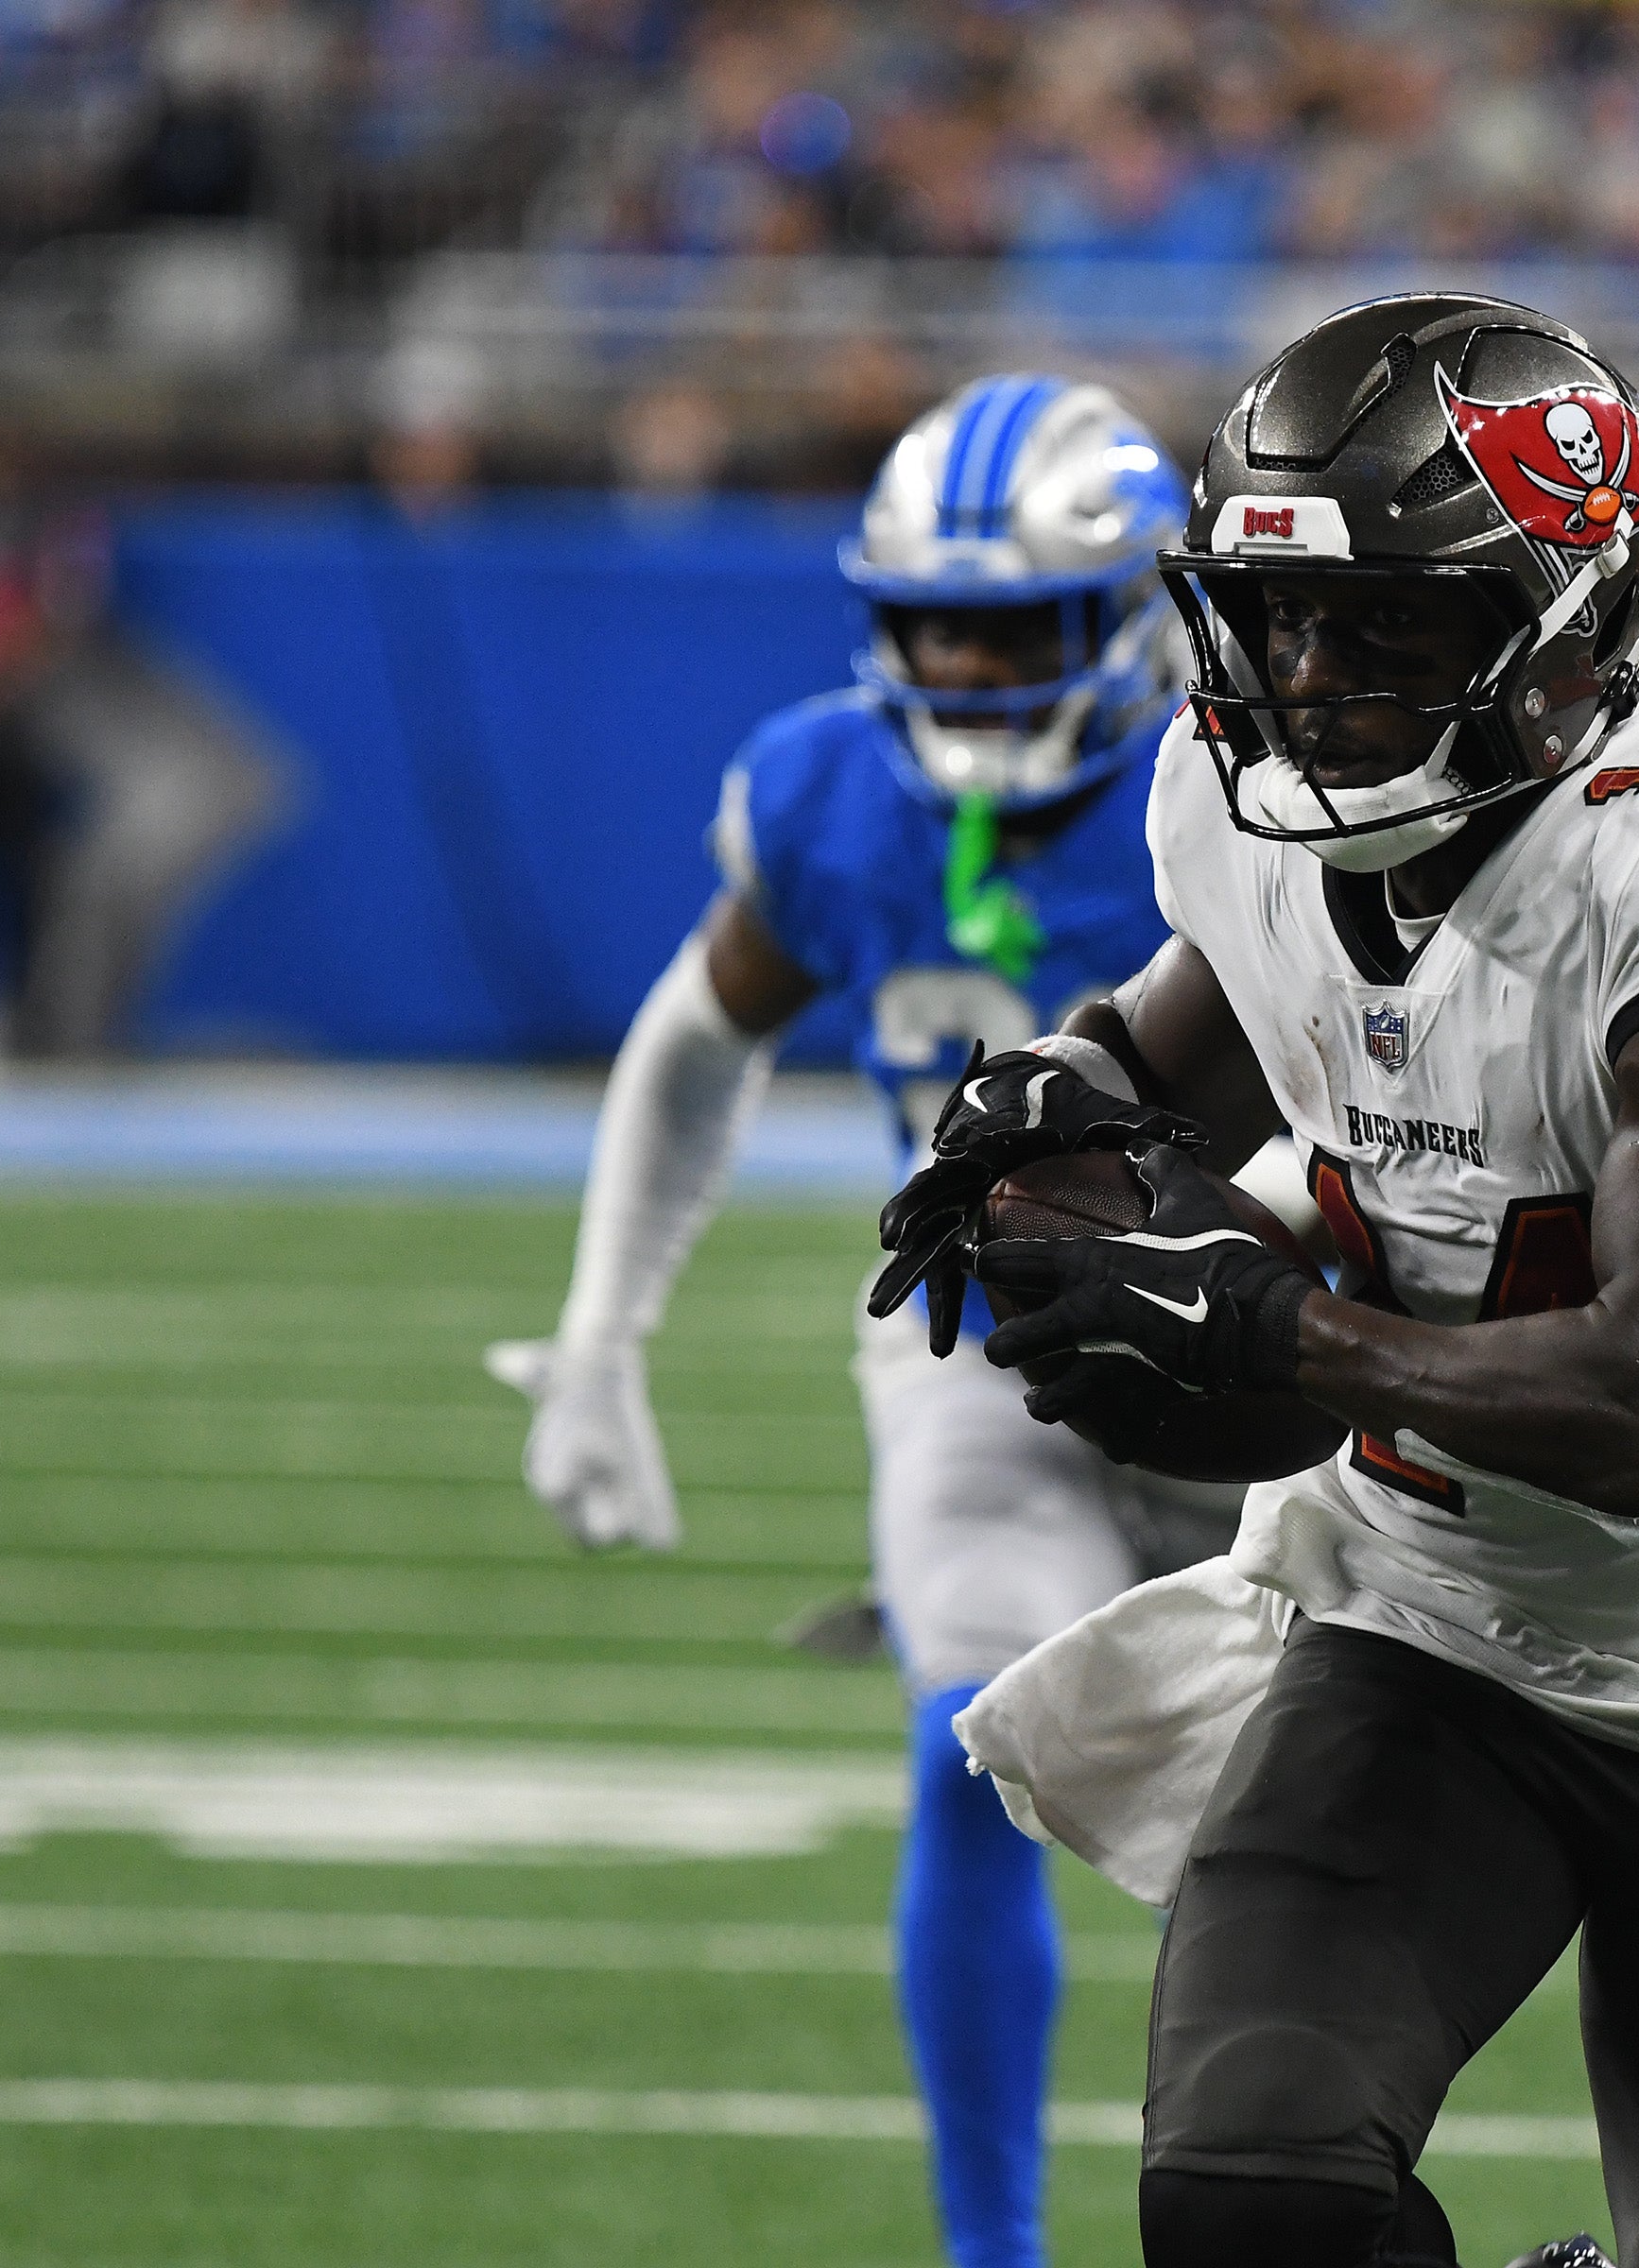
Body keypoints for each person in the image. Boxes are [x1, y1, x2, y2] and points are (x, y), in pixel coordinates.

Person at [873, 296, 1639, 2268]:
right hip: (1430, 1628)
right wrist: (1058, 1097)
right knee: (1248, 2198)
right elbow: (1206, 1016)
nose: (1312, 684)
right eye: (1280, 622)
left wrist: (1285, 1336)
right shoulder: (1234, 814)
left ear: (1566, 635)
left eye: (1391, 628)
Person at [485, 373, 1235, 2268]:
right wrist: (602, 1331)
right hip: (986, 1338)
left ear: (1133, 615)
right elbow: (697, 1033)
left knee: (1328, 1821)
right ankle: (994, 2257)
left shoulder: (1250, 787)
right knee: (979, 1739)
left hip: (1281, 1328)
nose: (972, 667)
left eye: (1017, 626)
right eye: (938, 627)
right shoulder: (831, 786)